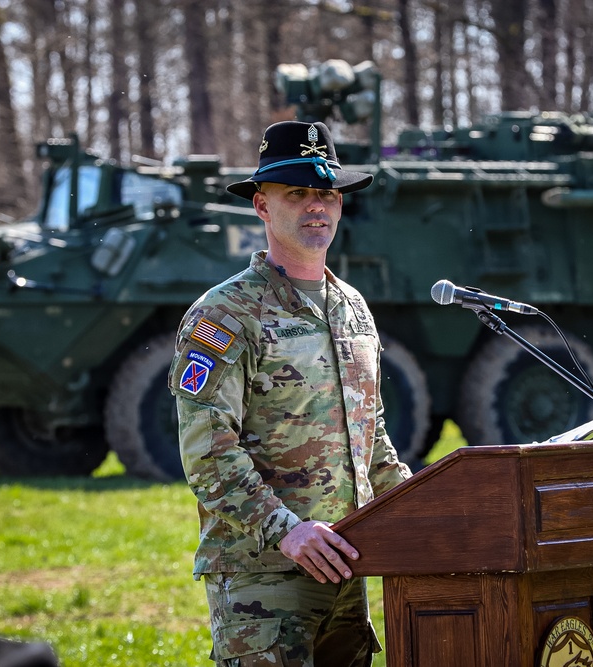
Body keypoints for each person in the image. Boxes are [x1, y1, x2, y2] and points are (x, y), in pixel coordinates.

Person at [169, 120, 412, 667]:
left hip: (350, 569)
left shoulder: (352, 307)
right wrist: (288, 531)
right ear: (261, 206)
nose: (315, 207)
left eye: (325, 193)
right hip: (265, 579)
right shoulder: (225, 315)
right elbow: (207, 452)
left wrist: (422, 510)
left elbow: (369, 436)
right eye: (296, 194)